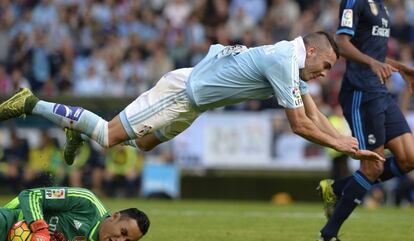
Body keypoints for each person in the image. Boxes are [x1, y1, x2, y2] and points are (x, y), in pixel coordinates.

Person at [0, 31, 383, 164]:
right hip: (184, 93)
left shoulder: (292, 62)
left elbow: (312, 111)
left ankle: (76, 130)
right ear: (312, 51)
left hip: (195, 104)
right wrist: (341, 145)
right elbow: (299, 125)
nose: (326, 74)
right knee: (109, 136)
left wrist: (341, 141)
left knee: (146, 143)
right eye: (329, 64)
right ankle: (31, 102)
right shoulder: (284, 59)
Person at [315, 0, 414, 241]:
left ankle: (336, 188)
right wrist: (371, 64)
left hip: (380, 92)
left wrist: (401, 68)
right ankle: (327, 236)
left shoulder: (382, 7)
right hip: (361, 92)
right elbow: (341, 43)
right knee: (373, 165)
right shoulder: (354, 2)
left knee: (408, 158)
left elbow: (373, 52)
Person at [0, 186, 150, 241]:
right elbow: (31, 195)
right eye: (123, 232)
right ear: (116, 216)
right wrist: (40, 229)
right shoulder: (87, 201)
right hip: (11, 222)